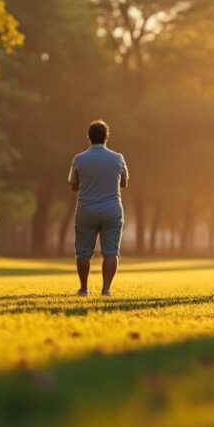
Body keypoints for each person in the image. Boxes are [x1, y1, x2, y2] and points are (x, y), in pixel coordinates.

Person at [69, 120, 128, 298]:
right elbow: (124, 183)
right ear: (106, 137)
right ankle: (106, 290)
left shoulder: (79, 159)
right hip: (111, 208)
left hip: (86, 209)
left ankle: (84, 289)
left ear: (89, 137)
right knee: (111, 252)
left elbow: (73, 186)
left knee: (83, 252)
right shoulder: (118, 158)